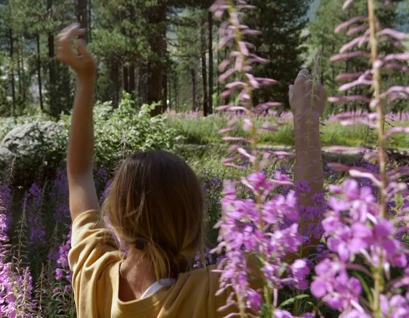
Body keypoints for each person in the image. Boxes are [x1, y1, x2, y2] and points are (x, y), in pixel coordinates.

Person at [57, 23, 326, 317]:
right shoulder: (211, 292)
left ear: (116, 218)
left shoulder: (94, 275)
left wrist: (85, 80)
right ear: (194, 225)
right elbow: (305, 230)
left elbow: (79, 175)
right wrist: (306, 119)